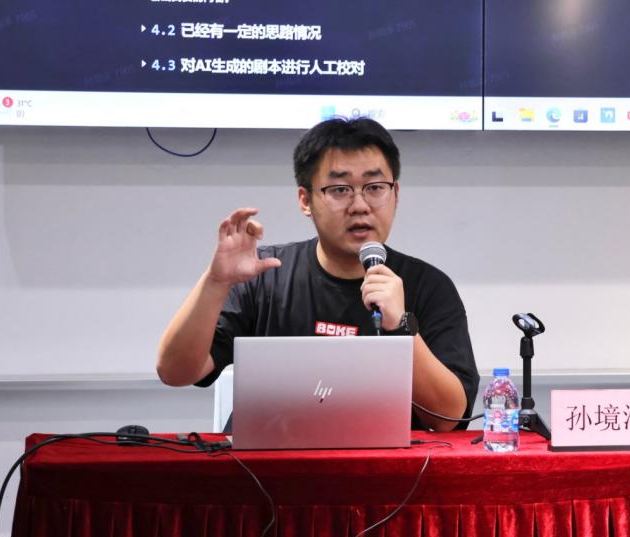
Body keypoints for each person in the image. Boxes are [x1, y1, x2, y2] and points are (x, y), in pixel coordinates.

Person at [156, 117, 479, 432]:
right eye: (339, 189)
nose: (360, 205)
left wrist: (401, 326)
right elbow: (175, 372)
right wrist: (216, 283)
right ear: (305, 200)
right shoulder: (264, 275)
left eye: (374, 187)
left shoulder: (428, 286)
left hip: (388, 466)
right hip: (268, 462)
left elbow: (449, 417)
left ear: (395, 193)